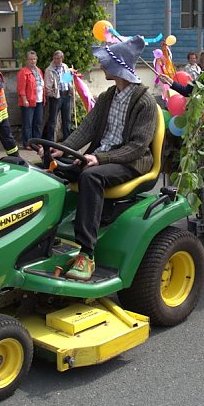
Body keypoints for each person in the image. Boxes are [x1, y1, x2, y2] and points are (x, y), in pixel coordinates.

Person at [41, 36, 157, 281]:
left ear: (119, 67)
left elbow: (137, 147)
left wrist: (101, 159)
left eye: (106, 63)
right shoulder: (107, 97)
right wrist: (61, 149)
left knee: (90, 176)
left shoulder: (145, 102)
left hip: (129, 163)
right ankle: (43, 235)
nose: (102, 66)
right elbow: (86, 129)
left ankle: (87, 253)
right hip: (102, 156)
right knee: (54, 168)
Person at [43, 50, 74, 141]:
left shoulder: (65, 67)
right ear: (53, 58)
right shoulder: (49, 70)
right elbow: (47, 86)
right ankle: (50, 140)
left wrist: (71, 90)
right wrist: (53, 94)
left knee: (67, 120)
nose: (57, 60)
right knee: (52, 120)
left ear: (62, 58)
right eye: (55, 58)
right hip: (56, 97)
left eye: (59, 58)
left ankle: (67, 140)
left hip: (66, 95)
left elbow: (68, 81)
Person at [16, 50, 44, 149]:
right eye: (31, 59)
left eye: (34, 59)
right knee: (27, 124)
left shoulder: (39, 70)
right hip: (28, 101)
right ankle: (27, 143)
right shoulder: (23, 72)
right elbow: (21, 88)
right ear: (27, 61)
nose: (33, 61)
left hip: (39, 100)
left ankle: (37, 141)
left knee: (38, 122)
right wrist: (24, 100)